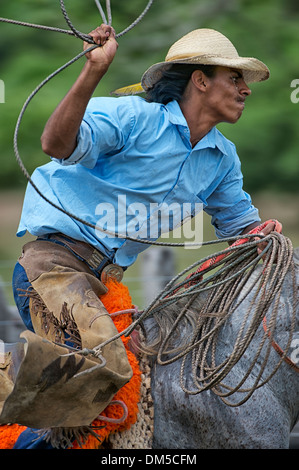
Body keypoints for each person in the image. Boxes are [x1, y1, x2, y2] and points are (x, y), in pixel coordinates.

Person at [9, 25, 279, 447]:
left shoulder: (222, 158)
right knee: (105, 369)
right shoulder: (133, 118)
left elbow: (242, 230)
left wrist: (263, 235)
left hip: (106, 284)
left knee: (137, 379)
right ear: (201, 79)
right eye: (235, 77)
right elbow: (55, 143)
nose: (246, 89)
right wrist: (92, 72)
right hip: (54, 265)